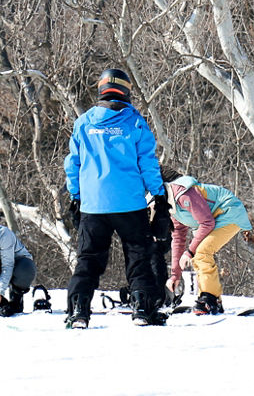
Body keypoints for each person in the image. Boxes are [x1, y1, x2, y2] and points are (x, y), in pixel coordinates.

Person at [64, 68, 170, 329]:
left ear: (101, 89)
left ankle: (78, 310)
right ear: (126, 90)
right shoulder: (134, 122)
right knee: (138, 256)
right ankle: (143, 308)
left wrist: (75, 195)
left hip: (93, 204)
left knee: (88, 258)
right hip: (129, 203)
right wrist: (158, 194)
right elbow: (148, 162)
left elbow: (73, 164)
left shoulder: (84, 122)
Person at [161, 168, 252, 315]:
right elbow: (178, 238)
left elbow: (207, 222)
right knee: (199, 254)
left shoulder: (183, 195)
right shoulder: (170, 206)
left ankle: (210, 298)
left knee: (202, 252)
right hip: (216, 218)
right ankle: (210, 298)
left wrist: (189, 252)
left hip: (229, 212)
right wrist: (175, 275)